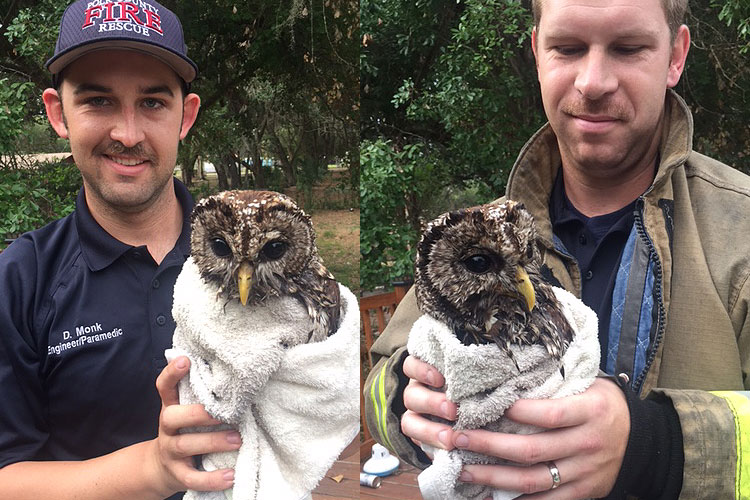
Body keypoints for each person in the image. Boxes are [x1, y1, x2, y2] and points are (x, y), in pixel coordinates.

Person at [364, 0, 750, 498]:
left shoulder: (740, 226)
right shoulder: (474, 240)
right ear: (537, 54)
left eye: (628, 48)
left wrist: (656, 446)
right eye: (566, 48)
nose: (593, 82)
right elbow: (377, 385)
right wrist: (406, 404)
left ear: (675, 57)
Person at [0, 1, 241, 498]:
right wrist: (154, 468)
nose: (128, 134)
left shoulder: (253, 255)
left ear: (185, 116)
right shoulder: (20, 280)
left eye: (153, 103)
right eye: (98, 101)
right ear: (57, 112)